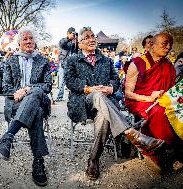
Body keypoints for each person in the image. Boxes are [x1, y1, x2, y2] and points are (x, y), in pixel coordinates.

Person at [64, 26, 165, 180]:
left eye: (93, 36)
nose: (91, 39)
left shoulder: (106, 60)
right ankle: (129, 132)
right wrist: (88, 89)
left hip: (105, 105)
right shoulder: (72, 59)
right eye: (87, 37)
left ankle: (93, 160)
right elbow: (69, 81)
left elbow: (115, 79)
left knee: (104, 118)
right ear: (79, 43)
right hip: (83, 103)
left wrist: (110, 88)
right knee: (97, 94)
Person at [0, 28, 52, 186]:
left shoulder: (43, 61)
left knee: (35, 95)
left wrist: (27, 89)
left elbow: (47, 86)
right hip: (15, 103)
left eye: (31, 39)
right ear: (19, 42)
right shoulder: (10, 61)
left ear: (35, 41)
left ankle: (9, 136)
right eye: (25, 39)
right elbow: (5, 88)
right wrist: (18, 92)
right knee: (37, 112)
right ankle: (38, 162)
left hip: (38, 99)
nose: (28, 42)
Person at [125, 33, 183, 167]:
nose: (168, 47)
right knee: (159, 111)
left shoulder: (168, 65)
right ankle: (158, 151)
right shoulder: (137, 63)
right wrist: (149, 97)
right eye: (165, 44)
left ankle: (175, 146)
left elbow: (171, 89)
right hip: (140, 101)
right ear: (153, 44)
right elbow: (128, 94)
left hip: (160, 100)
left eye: (170, 44)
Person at [56, 27, 78, 101]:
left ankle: (73, 98)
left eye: (74, 34)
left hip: (72, 65)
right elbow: (62, 44)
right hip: (63, 64)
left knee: (73, 81)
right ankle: (59, 97)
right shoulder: (63, 40)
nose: (74, 35)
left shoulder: (74, 42)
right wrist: (69, 38)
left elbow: (77, 51)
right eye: (72, 34)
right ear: (68, 33)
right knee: (62, 81)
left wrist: (77, 41)